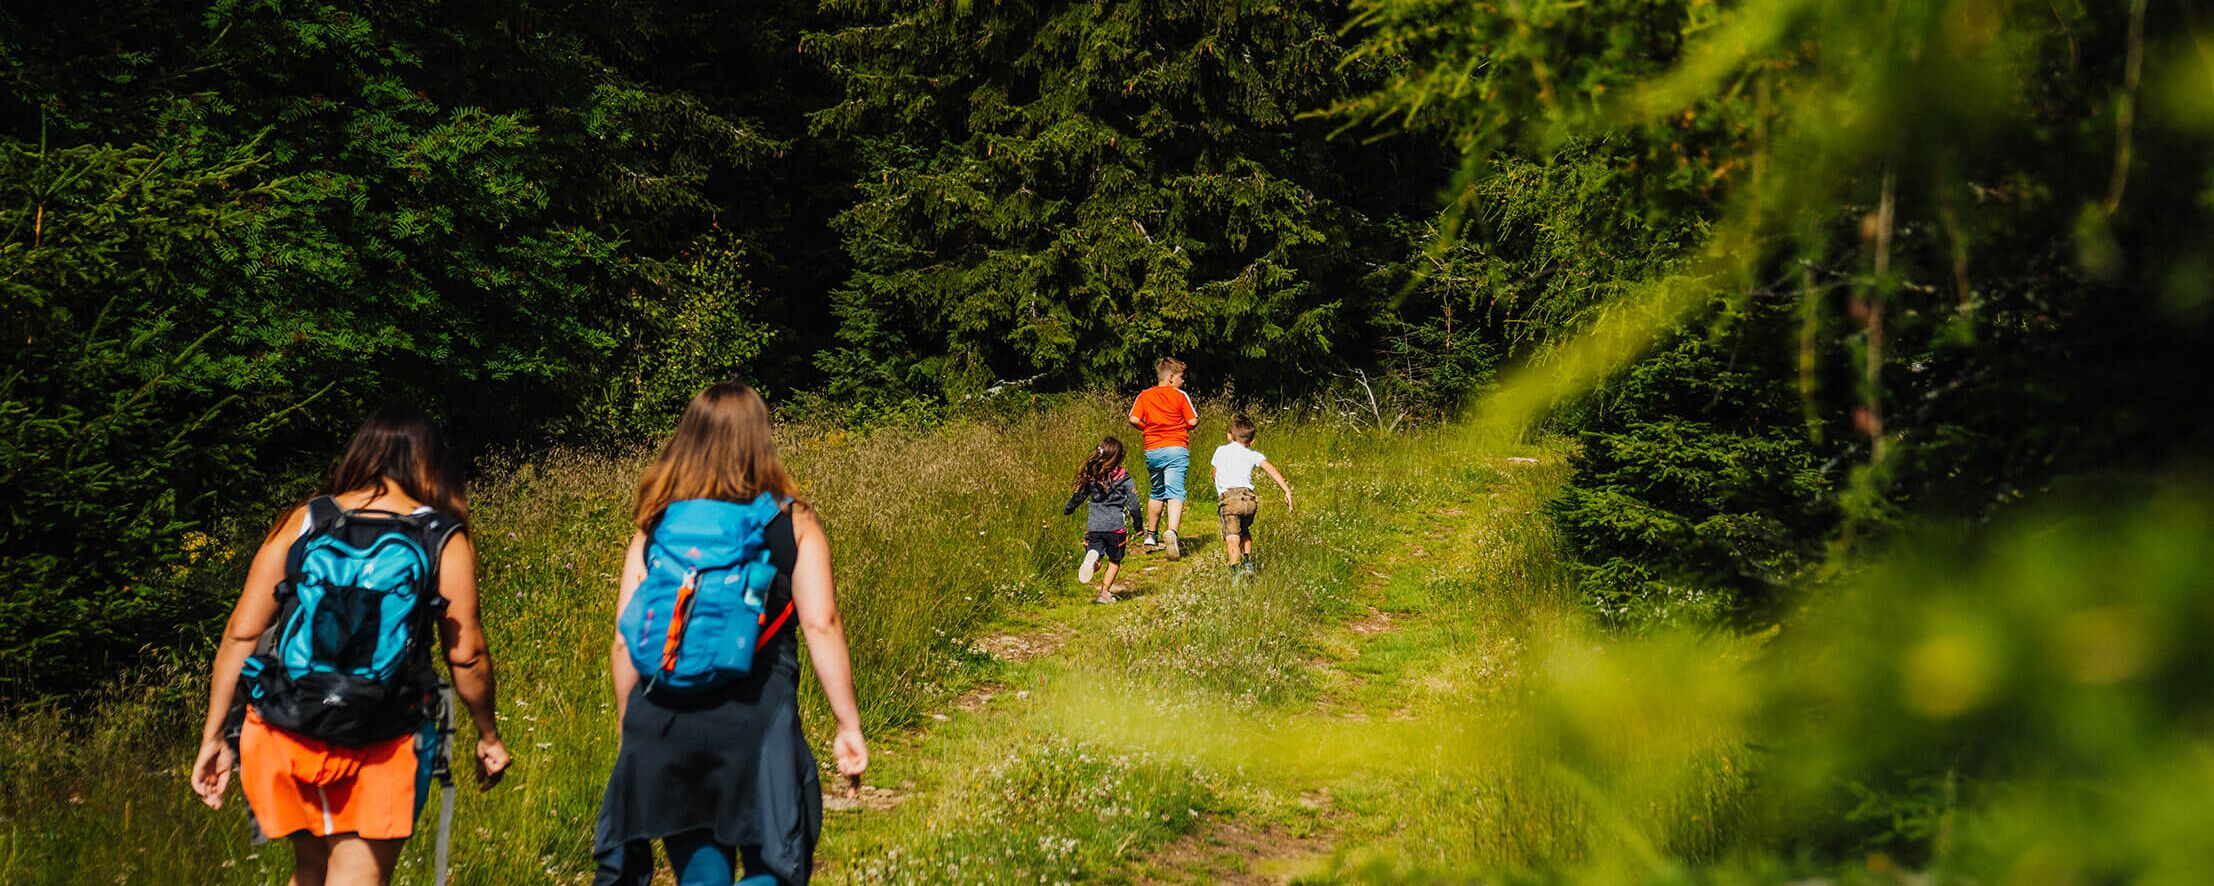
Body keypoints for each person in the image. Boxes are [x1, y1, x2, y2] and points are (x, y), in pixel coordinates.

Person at [191, 404, 511, 886]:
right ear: (431, 463)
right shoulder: (440, 535)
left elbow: (242, 632)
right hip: (383, 734)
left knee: (311, 869)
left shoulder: (306, 519)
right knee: (356, 874)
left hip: (286, 726)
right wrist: (487, 734)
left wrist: (215, 735)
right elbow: (465, 652)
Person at [593, 383, 868, 886]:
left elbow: (623, 640)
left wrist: (628, 729)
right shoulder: (793, 522)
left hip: (665, 724)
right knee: (777, 869)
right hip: (757, 728)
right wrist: (847, 724)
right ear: (761, 440)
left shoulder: (655, 524)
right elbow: (821, 623)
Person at [1126, 357, 1200, 560]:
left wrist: (1147, 428)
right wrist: (1180, 427)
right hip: (1176, 447)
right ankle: (1172, 532)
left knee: (1157, 490)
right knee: (1175, 491)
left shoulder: (1144, 395)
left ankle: (1151, 535)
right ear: (1171, 377)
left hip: (1153, 449)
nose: (1182, 381)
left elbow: (1133, 418)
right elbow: (1193, 420)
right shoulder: (1180, 395)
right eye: (1181, 377)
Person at [1210, 415, 1293, 579]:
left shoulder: (1220, 450)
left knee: (1232, 536)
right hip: (1249, 500)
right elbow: (1272, 470)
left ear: (1229, 436)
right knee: (1245, 531)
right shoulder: (1254, 454)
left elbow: (1214, 474)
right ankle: (1248, 564)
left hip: (1230, 499)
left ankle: (1235, 574)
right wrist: (1286, 491)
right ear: (1251, 442)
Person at [1062, 435, 1142, 604]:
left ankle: (1094, 558)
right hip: (1115, 527)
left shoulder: (1092, 476)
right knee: (1115, 560)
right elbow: (1134, 503)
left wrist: (1069, 508)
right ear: (1118, 457)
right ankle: (1104, 593)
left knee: (1096, 556)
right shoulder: (1124, 477)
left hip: (1094, 526)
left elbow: (1079, 495)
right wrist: (1138, 524)